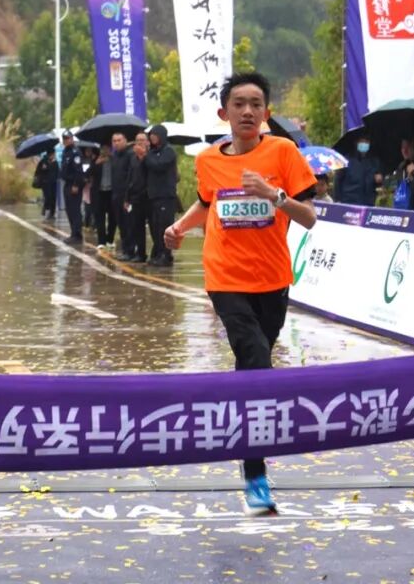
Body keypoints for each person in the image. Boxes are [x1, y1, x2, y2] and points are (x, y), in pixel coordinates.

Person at [164, 71, 317, 516]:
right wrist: (179, 227)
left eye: (255, 104)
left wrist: (275, 195)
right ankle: (255, 473)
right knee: (256, 359)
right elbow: (207, 202)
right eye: (238, 104)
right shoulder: (208, 160)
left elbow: (309, 217)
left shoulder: (283, 152)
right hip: (225, 277)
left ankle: (242, 423)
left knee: (253, 368)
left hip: (272, 279)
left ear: (267, 112)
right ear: (223, 112)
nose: (247, 111)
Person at [145, 124, 179, 266]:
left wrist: (145, 156)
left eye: (155, 135)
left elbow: (158, 165)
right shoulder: (152, 152)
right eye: (151, 136)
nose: (153, 138)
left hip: (166, 196)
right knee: (155, 226)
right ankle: (158, 253)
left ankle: (166, 255)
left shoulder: (168, 151)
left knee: (165, 226)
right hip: (153, 195)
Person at [119, 133, 150, 262]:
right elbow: (130, 178)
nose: (140, 142)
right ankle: (137, 252)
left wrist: (143, 156)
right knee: (135, 226)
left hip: (148, 196)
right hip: (135, 196)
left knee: (153, 227)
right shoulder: (132, 157)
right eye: (137, 140)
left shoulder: (150, 156)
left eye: (142, 140)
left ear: (148, 142)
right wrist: (127, 198)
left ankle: (153, 253)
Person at [334, 135, 382, 205]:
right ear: (356, 143)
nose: (364, 144)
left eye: (366, 141)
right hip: (348, 201)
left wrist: (379, 181)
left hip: (367, 203)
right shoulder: (346, 160)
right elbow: (338, 180)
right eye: (362, 141)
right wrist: (337, 199)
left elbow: (377, 184)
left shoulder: (374, 162)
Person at [60, 130, 86, 244]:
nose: (66, 141)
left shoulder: (75, 152)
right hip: (67, 183)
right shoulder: (66, 151)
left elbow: (78, 170)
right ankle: (73, 233)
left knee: (75, 210)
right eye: (65, 139)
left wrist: (76, 184)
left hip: (74, 184)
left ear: (72, 139)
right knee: (69, 209)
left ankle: (77, 235)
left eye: (68, 138)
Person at [110, 133, 133, 253]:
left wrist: (128, 197)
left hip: (127, 196)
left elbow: (131, 176)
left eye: (119, 140)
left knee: (129, 224)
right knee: (121, 224)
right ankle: (125, 249)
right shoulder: (114, 156)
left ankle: (131, 250)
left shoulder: (130, 155)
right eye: (114, 141)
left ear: (125, 140)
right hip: (116, 195)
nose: (116, 143)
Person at [90, 144, 116, 249]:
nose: (104, 151)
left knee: (113, 217)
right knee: (99, 217)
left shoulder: (115, 160)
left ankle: (110, 239)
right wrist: (96, 164)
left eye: (107, 149)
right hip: (99, 192)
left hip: (111, 192)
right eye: (102, 149)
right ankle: (101, 241)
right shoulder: (96, 160)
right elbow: (87, 174)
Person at [392, 138, 414, 209]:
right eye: (403, 147)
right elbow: (397, 185)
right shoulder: (401, 165)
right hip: (402, 205)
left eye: (408, 146)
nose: (405, 150)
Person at [36, 149, 59, 219]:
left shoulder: (55, 162)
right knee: (48, 197)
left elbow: (58, 172)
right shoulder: (43, 161)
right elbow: (38, 171)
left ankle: (52, 213)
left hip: (53, 183)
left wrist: (57, 177)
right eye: (53, 154)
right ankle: (46, 210)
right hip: (45, 182)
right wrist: (43, 168)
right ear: (50, 154)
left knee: (53, 198)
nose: (54, 155)